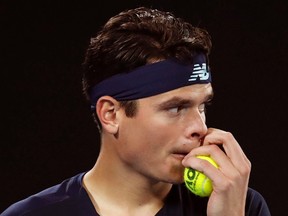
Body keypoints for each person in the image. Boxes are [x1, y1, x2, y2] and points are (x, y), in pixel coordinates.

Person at [1, 6, 271, 216]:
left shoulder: (237, 205)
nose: (199, 127)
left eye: (202, 106)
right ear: (111, 114)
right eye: (176, 107)